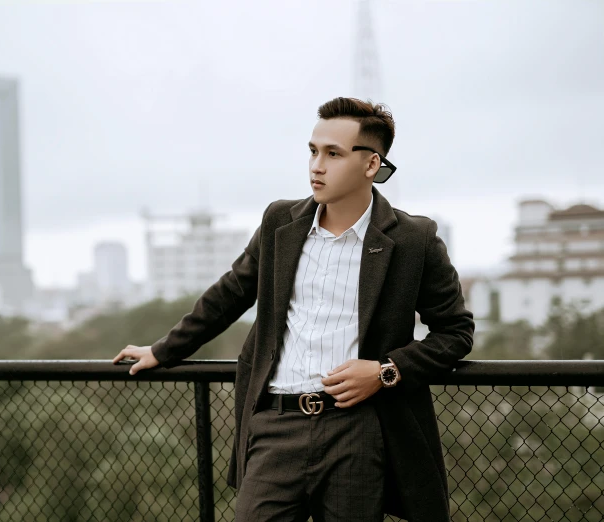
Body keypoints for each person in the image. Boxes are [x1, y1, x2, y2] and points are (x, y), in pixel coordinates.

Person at [113, 97, 475, 521]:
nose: (316, 166)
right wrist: (162, 351)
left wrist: (384, 372)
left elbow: (455, 333)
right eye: (313, 151)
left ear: (371, 165)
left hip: (358, 430)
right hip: (275, 424)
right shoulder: (279, 222)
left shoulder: (415, 240)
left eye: (333, 154)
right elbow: (231, 293)